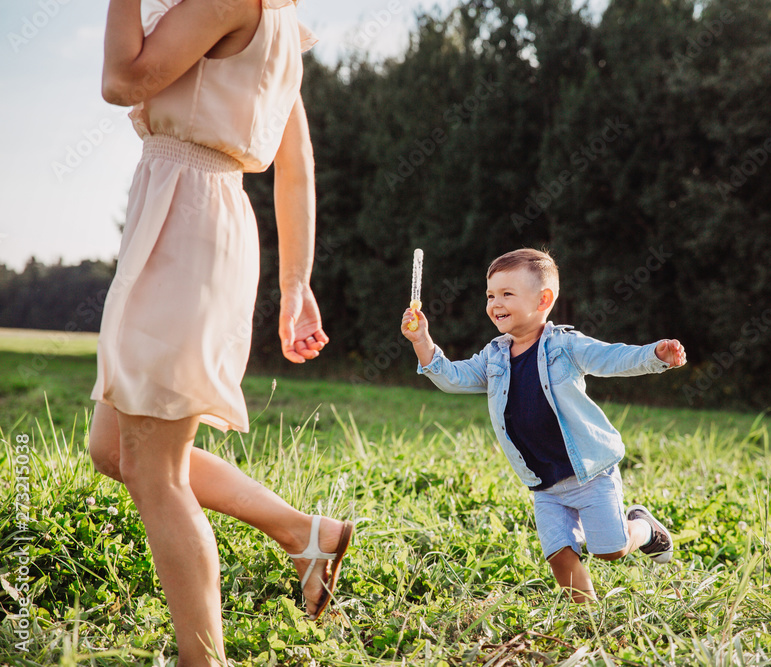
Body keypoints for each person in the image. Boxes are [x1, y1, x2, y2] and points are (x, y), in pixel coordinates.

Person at [88, 1, 352, 664]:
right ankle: (304, 532)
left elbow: (123, 81)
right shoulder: (277, 18)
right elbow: (297, 165)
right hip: (189, 214)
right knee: (116, 446)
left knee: (156, 472)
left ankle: (203, 659)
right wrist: (297, 282)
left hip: (187, 221)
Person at [400, 248, 686, 602]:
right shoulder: (493, 356)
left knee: (610, 550)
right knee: (559, 555)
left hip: (589, 473)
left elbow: (611, 357)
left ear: (543, 299)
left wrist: (653, 355)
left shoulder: (565, 346)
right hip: (544, 484)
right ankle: (586, 617)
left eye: (507, 294)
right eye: (490, 295)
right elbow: (452, 378)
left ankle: (643, 527)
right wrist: (422, 341)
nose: (495, 303)